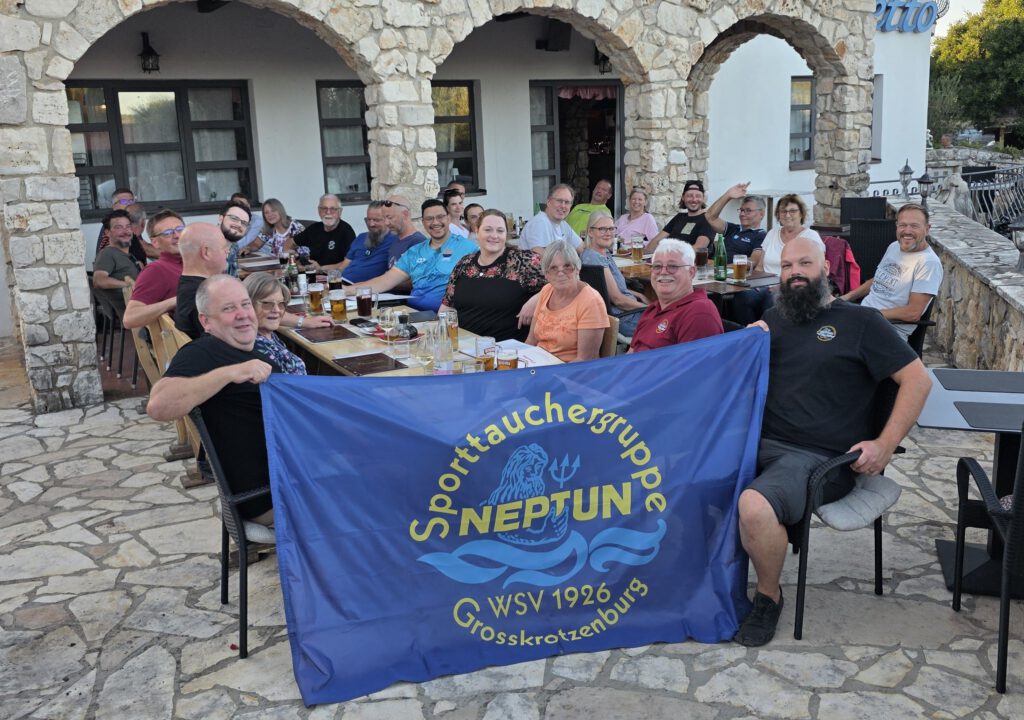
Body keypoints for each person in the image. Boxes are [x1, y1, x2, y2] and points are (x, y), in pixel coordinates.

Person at [734, 236, 931, 647]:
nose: (795, 274)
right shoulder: (774, 320)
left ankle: (768, 595)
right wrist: (746, 346)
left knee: (754, 506)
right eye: (787, 266)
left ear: (826, 269)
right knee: (685, 476)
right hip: (760, 444)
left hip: (822, 459)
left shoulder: (862, 323)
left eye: (804, 264)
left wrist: (885, 444)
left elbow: (918, 380)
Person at [147, 275, 280, 527]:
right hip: (269, 496)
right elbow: (158, 405)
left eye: (245, 304)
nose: (242, 315)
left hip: (288, 476)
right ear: (206, 321)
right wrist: (231, 372)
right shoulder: (203, 352)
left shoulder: (246, 348)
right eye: (228, 309)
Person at [347, 199, 477, 311]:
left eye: (440, 217)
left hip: (447, 318)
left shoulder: (467, 248)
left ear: (448, 218)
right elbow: (384, 281)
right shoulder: (414, 252)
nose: (435, 222)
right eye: (429, 218)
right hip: (413, 315)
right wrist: (345, 290)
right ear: (423, 222)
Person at [840, 203, 943, 340]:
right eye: (902, 225)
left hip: (888, 330)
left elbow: (913, 313)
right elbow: (877, 280)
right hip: (865, 318)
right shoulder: (894, 247)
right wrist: (845, 298)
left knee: (832, 345)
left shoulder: (928, 263)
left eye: (914, 226)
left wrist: (869, 314)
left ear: (927, 229)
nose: (907, 230)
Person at [440, 209, 545, 341]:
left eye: (500, 231)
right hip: (463, 346)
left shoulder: (524, 261)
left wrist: (537, 299)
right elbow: (446, 308)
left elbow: (562, 282)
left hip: (506, 350)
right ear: (477, 232)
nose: (494, 235)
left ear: (506, 234)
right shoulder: (464, 264)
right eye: (488, 230)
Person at [628, 239, 722, 352]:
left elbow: (692, 368)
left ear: (691, 272)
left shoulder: (699, 312)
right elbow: (630, 354)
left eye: (672, 266)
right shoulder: (653, 309)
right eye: (657, 266)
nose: (663, 272)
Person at [526, 239, 609, 362]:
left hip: (570, 373)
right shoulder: (546, 290)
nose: (561, 273)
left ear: (577, 269)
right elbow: (531, 341)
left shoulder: (591, 301)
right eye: (553, 268)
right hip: (538, 367)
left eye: (567, 266)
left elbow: (585, 360)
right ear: (546, 274)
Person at [579, 210, 648, 336]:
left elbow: (609, 287)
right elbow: (618, 300)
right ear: (590, 232)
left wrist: (638, 294)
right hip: (625, 318)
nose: (608, 233)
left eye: (611, 229)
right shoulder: (595, 258)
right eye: (602, 229)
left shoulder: (601, 253)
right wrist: (649, 309)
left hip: (628, 313)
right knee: (672, 324)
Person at [123, 210, 186, 330]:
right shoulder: (156, 270)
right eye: (168, 233)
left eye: (180, 229)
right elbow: (129, 319)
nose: (177, 235)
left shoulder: (194, 263)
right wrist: (179, 299)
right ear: (155, 242)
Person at [176, 223, 232, 340]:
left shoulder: (188, 286)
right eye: (224, 248)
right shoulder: (206, 296)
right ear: (206, 252)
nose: (227, 252)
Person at [243, 273, 307, 375]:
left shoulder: (268, 334)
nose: (277, 310)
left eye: (281, 304)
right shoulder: (254, 346)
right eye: (267, 304)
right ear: (248, 305)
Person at [331, 200, 395, 283]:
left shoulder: (395, 240)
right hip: (342, 283)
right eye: (369, 219)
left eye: (376, 220)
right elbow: (344, 265)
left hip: (365, 290)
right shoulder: (361, 237)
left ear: (387, 220)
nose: (371, 224)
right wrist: (330, 278)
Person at [93, 210, 144, 313]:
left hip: (144, 307)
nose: (125, 231)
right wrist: (130, 285)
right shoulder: (107, 254)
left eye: (128, 226)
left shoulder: (129, 256)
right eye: (118, 227)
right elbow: (99, 281)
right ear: (107, 232)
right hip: (138, 315)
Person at [704, 182, 767, 265]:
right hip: (716, 270)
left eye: (748, 210)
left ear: (761, 214)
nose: (742, 214)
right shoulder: (733, 228)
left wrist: (720, 265)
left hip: (734, 274)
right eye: (741, 210)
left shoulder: (761, 235)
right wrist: (728, 195)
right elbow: (710, 217)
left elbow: (753, 261)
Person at [647, 180, 715, 252]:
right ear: (683, 198)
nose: (694, 200)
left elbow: (698, 248)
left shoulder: (708, 219)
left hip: (693, 262)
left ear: (703, 198)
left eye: (698, 196)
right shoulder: (679, 217)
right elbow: (656, 240)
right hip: (668, 260)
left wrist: (672, 256)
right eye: (689, 196)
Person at [294, 193, 355, 269]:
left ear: (340, 212)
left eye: (333, 209)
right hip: (311, 274)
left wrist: (321, 268)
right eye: (324, 208)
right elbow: (289, 243)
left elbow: (349, 263)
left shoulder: (346, 231)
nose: (328, 212)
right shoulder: (314, 228)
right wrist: (296, 260)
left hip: (334, 277)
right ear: (319, 211)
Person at [518, 184, 582, 255]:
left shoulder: (563, 225)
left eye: (567, 202)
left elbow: (582, 248)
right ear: (548, 202)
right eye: (559, 201)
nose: (563, 206)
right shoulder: (539, 222)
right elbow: (542, 257)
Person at [382, 196, 427, 268]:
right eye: (384, 218)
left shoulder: (418, 243)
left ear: (405, 214)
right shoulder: (396, 241)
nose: (386, 223)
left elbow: (415, 276)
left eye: (390, 217)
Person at [95, 187, 136, 255]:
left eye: (131, 201)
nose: (129, 204)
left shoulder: (133, 223)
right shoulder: (111, 225)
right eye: (124, 201)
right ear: (114, 206)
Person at [217, 200, 252, 278]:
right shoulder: (206, 244)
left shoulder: (234, 246)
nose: (239, 224)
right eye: (234, 218)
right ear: (220, 219)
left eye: (244, 223)